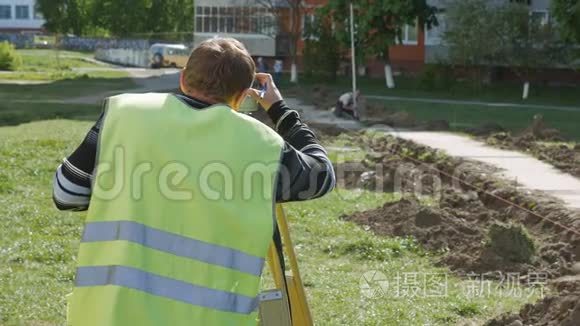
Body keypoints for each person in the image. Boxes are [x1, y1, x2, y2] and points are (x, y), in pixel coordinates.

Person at [53, 38, 335, 326]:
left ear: (183, 78)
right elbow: (322, 175)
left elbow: (66, 194)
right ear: (241, 97)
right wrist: (279, 110)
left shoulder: (124, 115)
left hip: (111, 315)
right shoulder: (263, 146)